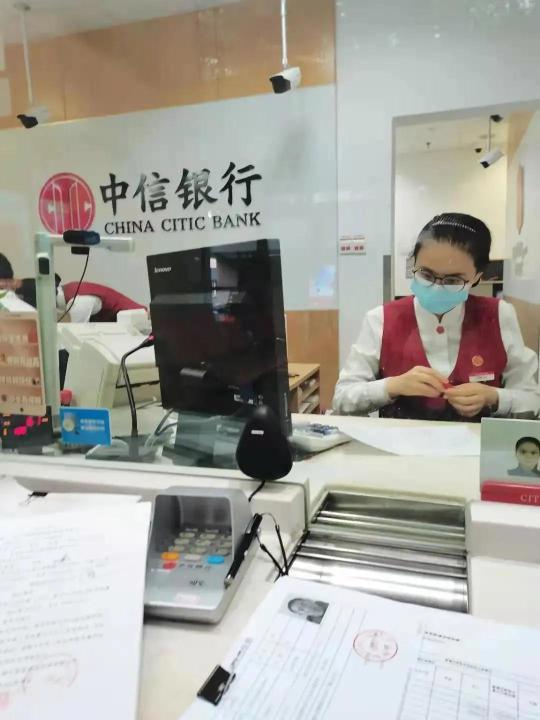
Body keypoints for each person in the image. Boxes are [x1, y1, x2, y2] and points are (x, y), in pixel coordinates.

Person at [333, 213, 540, 421]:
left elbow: (532, 400)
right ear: (413, 263)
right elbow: (342, 399)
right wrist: (392, 386)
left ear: (477, 277)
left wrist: (494, 397)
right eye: (426, 274)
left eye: (453, 280)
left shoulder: (498, 316)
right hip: (401, 440)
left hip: (478, 441)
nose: (436, 287)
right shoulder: (381, 319)